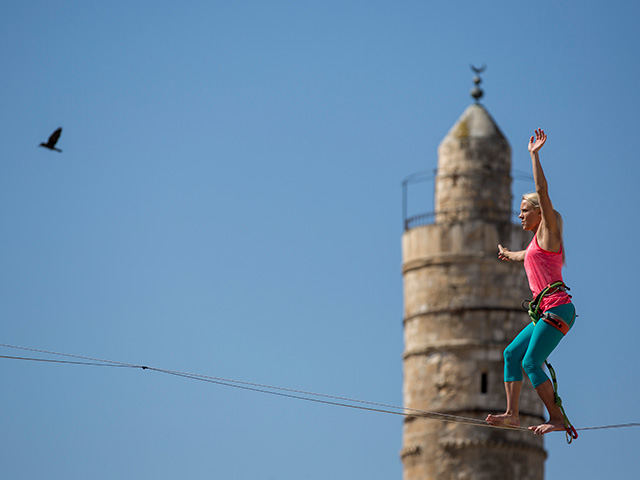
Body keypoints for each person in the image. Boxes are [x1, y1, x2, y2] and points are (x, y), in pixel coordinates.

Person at [485, 128, 576, 436]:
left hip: (558, 310)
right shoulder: (537, 244)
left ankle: (556, 417)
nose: (519, 216)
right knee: (511, 354)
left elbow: (543, 190)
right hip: (544, 313)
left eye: (524, 211)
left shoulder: (549, 232)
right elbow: (525, 255)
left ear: (539, 213)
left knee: (531, 363)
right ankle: (512, 414)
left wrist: (534, 155)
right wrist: (507, 253)